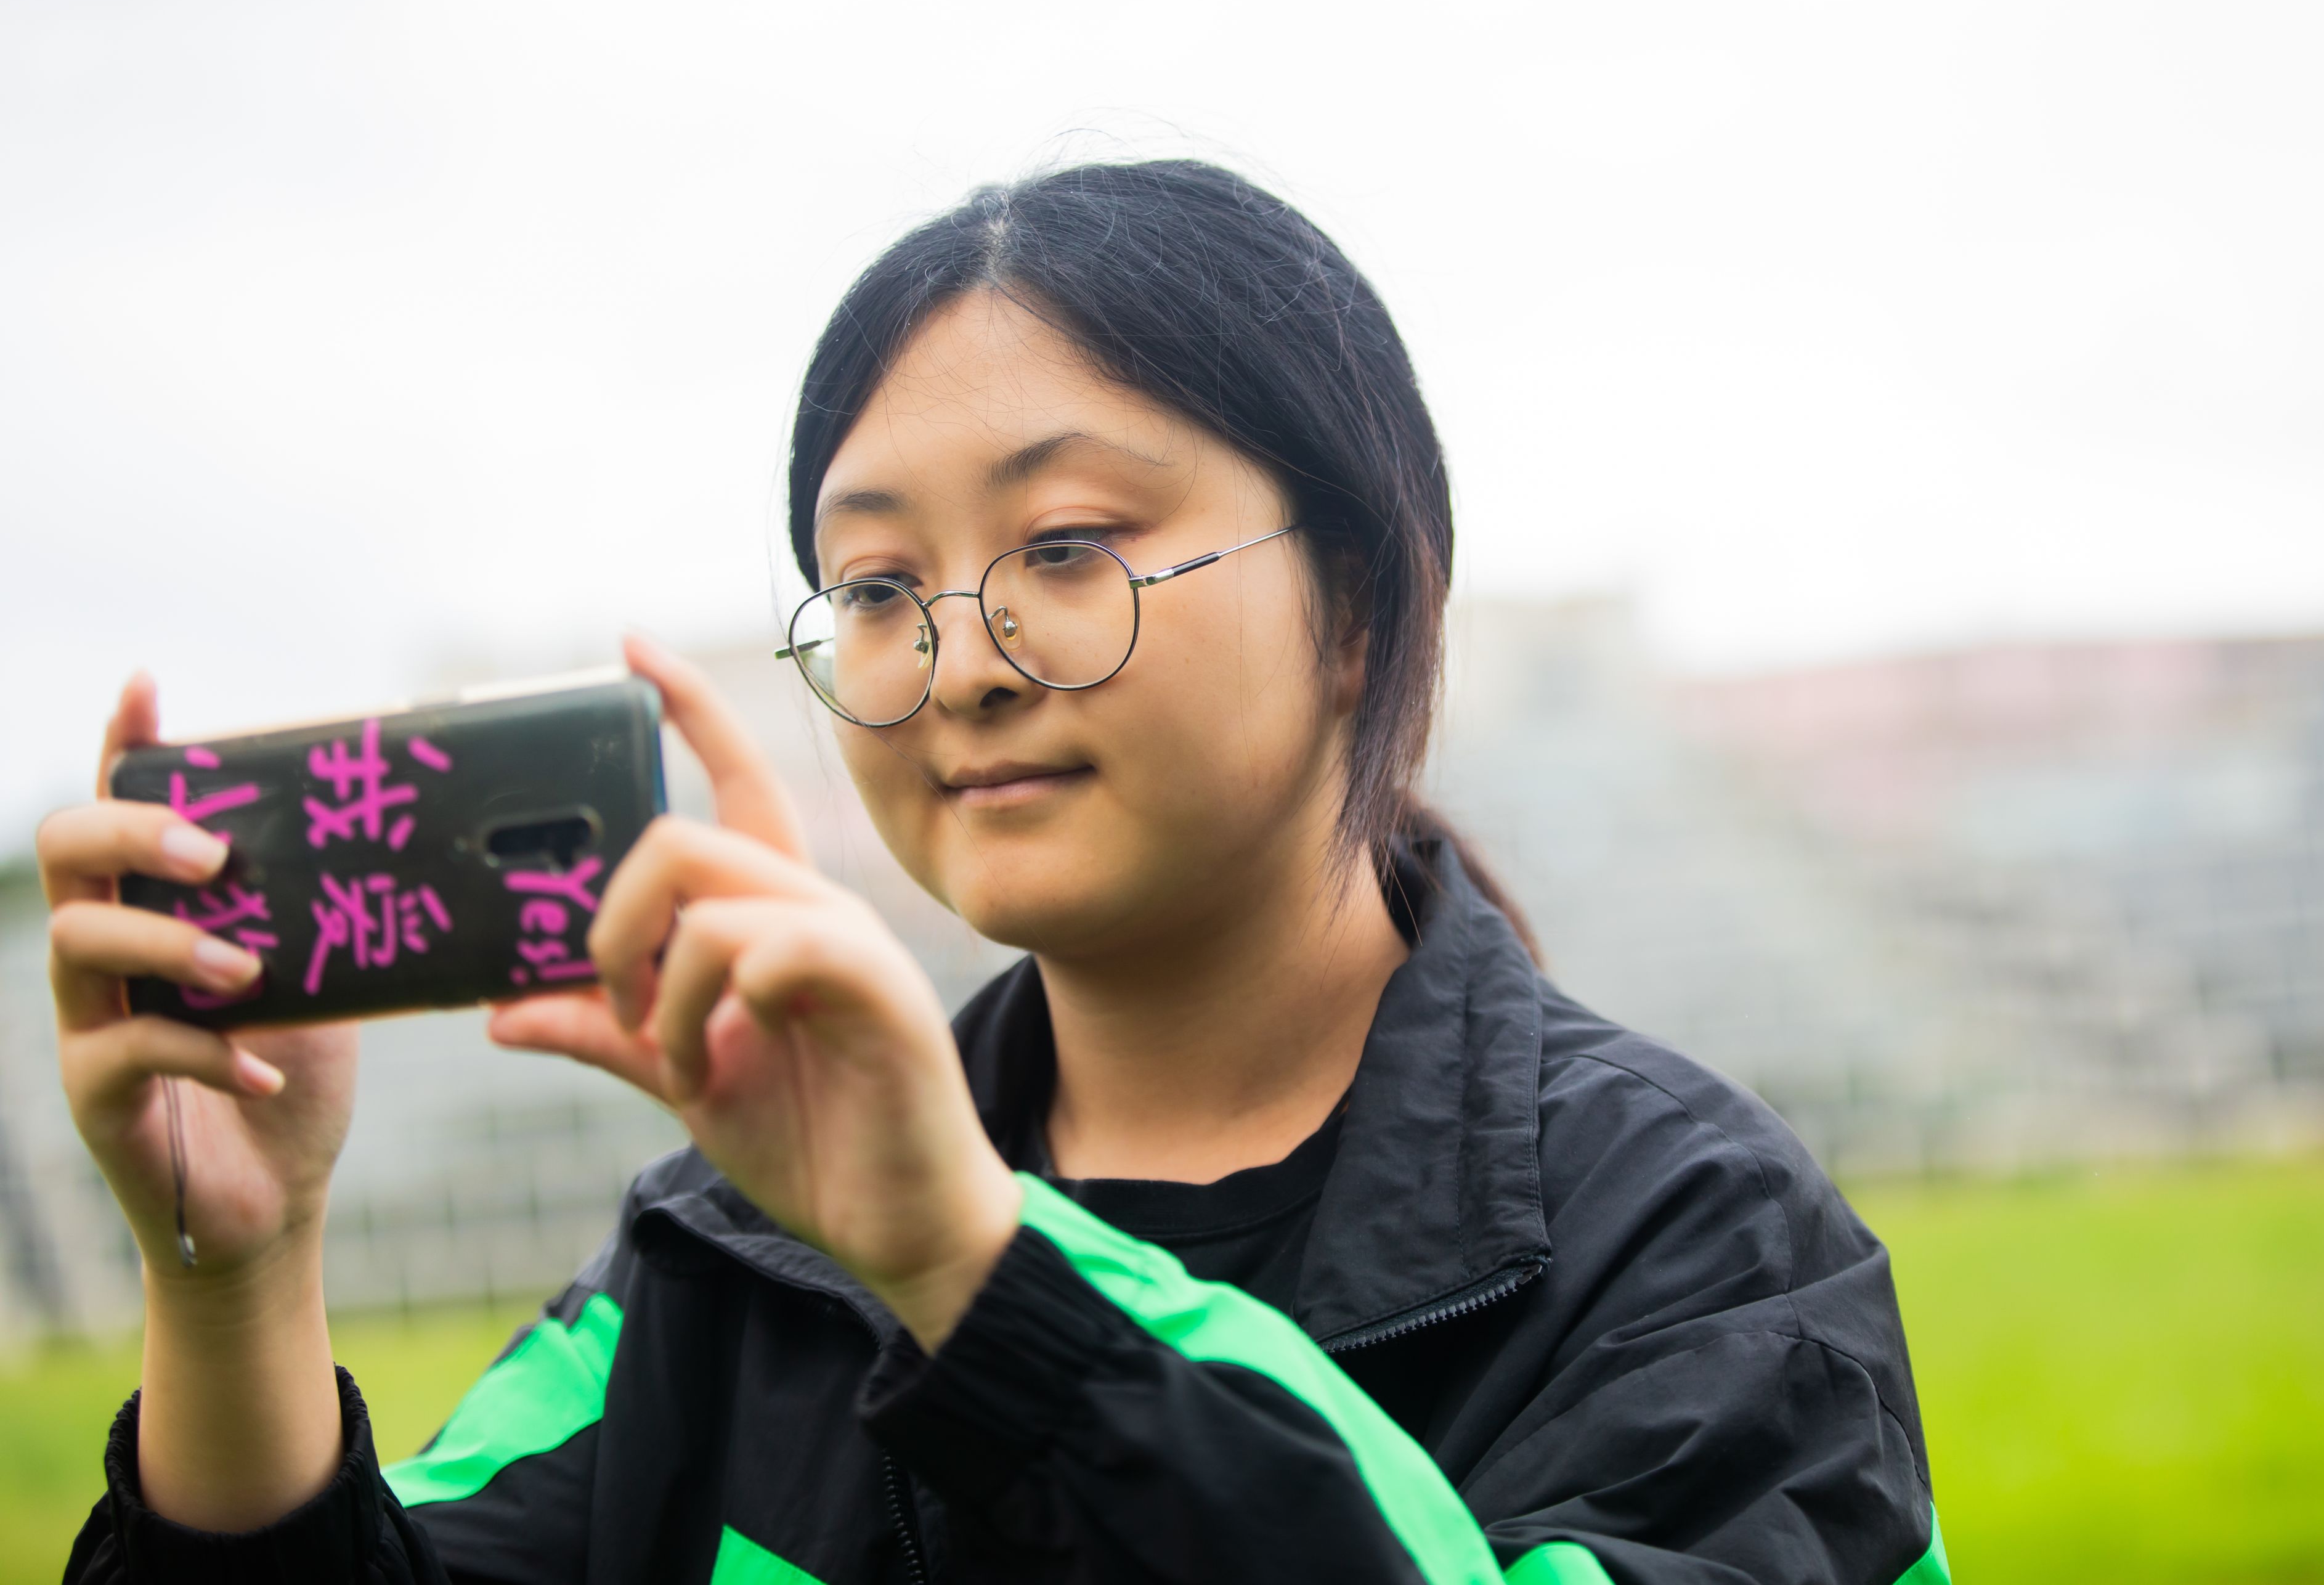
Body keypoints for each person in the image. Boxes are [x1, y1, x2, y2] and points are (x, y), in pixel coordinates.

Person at [46, 160, 1949, 1584]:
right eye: (879, 586)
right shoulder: (727, 1249)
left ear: (1357, 607)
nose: (958, 661)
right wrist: (234, 1280)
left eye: (1063, 546)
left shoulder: (1695, 1246)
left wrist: (969, 1263)